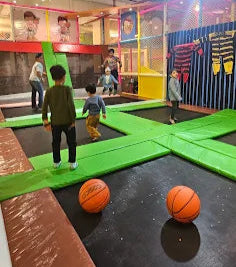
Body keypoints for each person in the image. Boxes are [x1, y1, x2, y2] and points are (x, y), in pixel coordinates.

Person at [42, 65, 78, 170]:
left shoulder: (49, 91)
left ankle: (56, 162)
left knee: (56, 142)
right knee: (72, 142)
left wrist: (46, 122)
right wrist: (73, 120)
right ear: (63, 77)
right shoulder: (67, 89)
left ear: (53, 77)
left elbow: (44, 107)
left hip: (55, 123)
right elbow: (71, 106)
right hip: (68, 122)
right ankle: (72, 163)